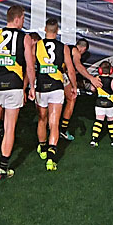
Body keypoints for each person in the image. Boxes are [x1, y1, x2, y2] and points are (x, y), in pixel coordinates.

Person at [0, 5, 33, 179]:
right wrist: (32, 86)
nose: (24, 21)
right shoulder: (25, 38)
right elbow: (29, 65)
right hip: (15, 85)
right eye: (23, 18)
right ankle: (3, 167)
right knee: (9, 127)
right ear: (17, 19)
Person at [33, 16, 77, 170]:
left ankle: (43, 148)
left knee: (41, 120)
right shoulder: (63, 47)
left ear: (45, 29)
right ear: (57, 31)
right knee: (54, 122)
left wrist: (30, 86)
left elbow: (31, 68)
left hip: (41, 87)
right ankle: (51, 159)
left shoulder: (36, 46)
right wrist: (74, 86)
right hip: (57, 87)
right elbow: (70, 69)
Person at [81, 60, 113, 147]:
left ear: (100, 70)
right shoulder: (112, 80)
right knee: (111, 121)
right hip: (110, 103)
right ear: (111, 71)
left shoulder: (97, 79)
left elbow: (92, 89)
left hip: (99, 103)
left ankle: (94, 139)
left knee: (98, 121)